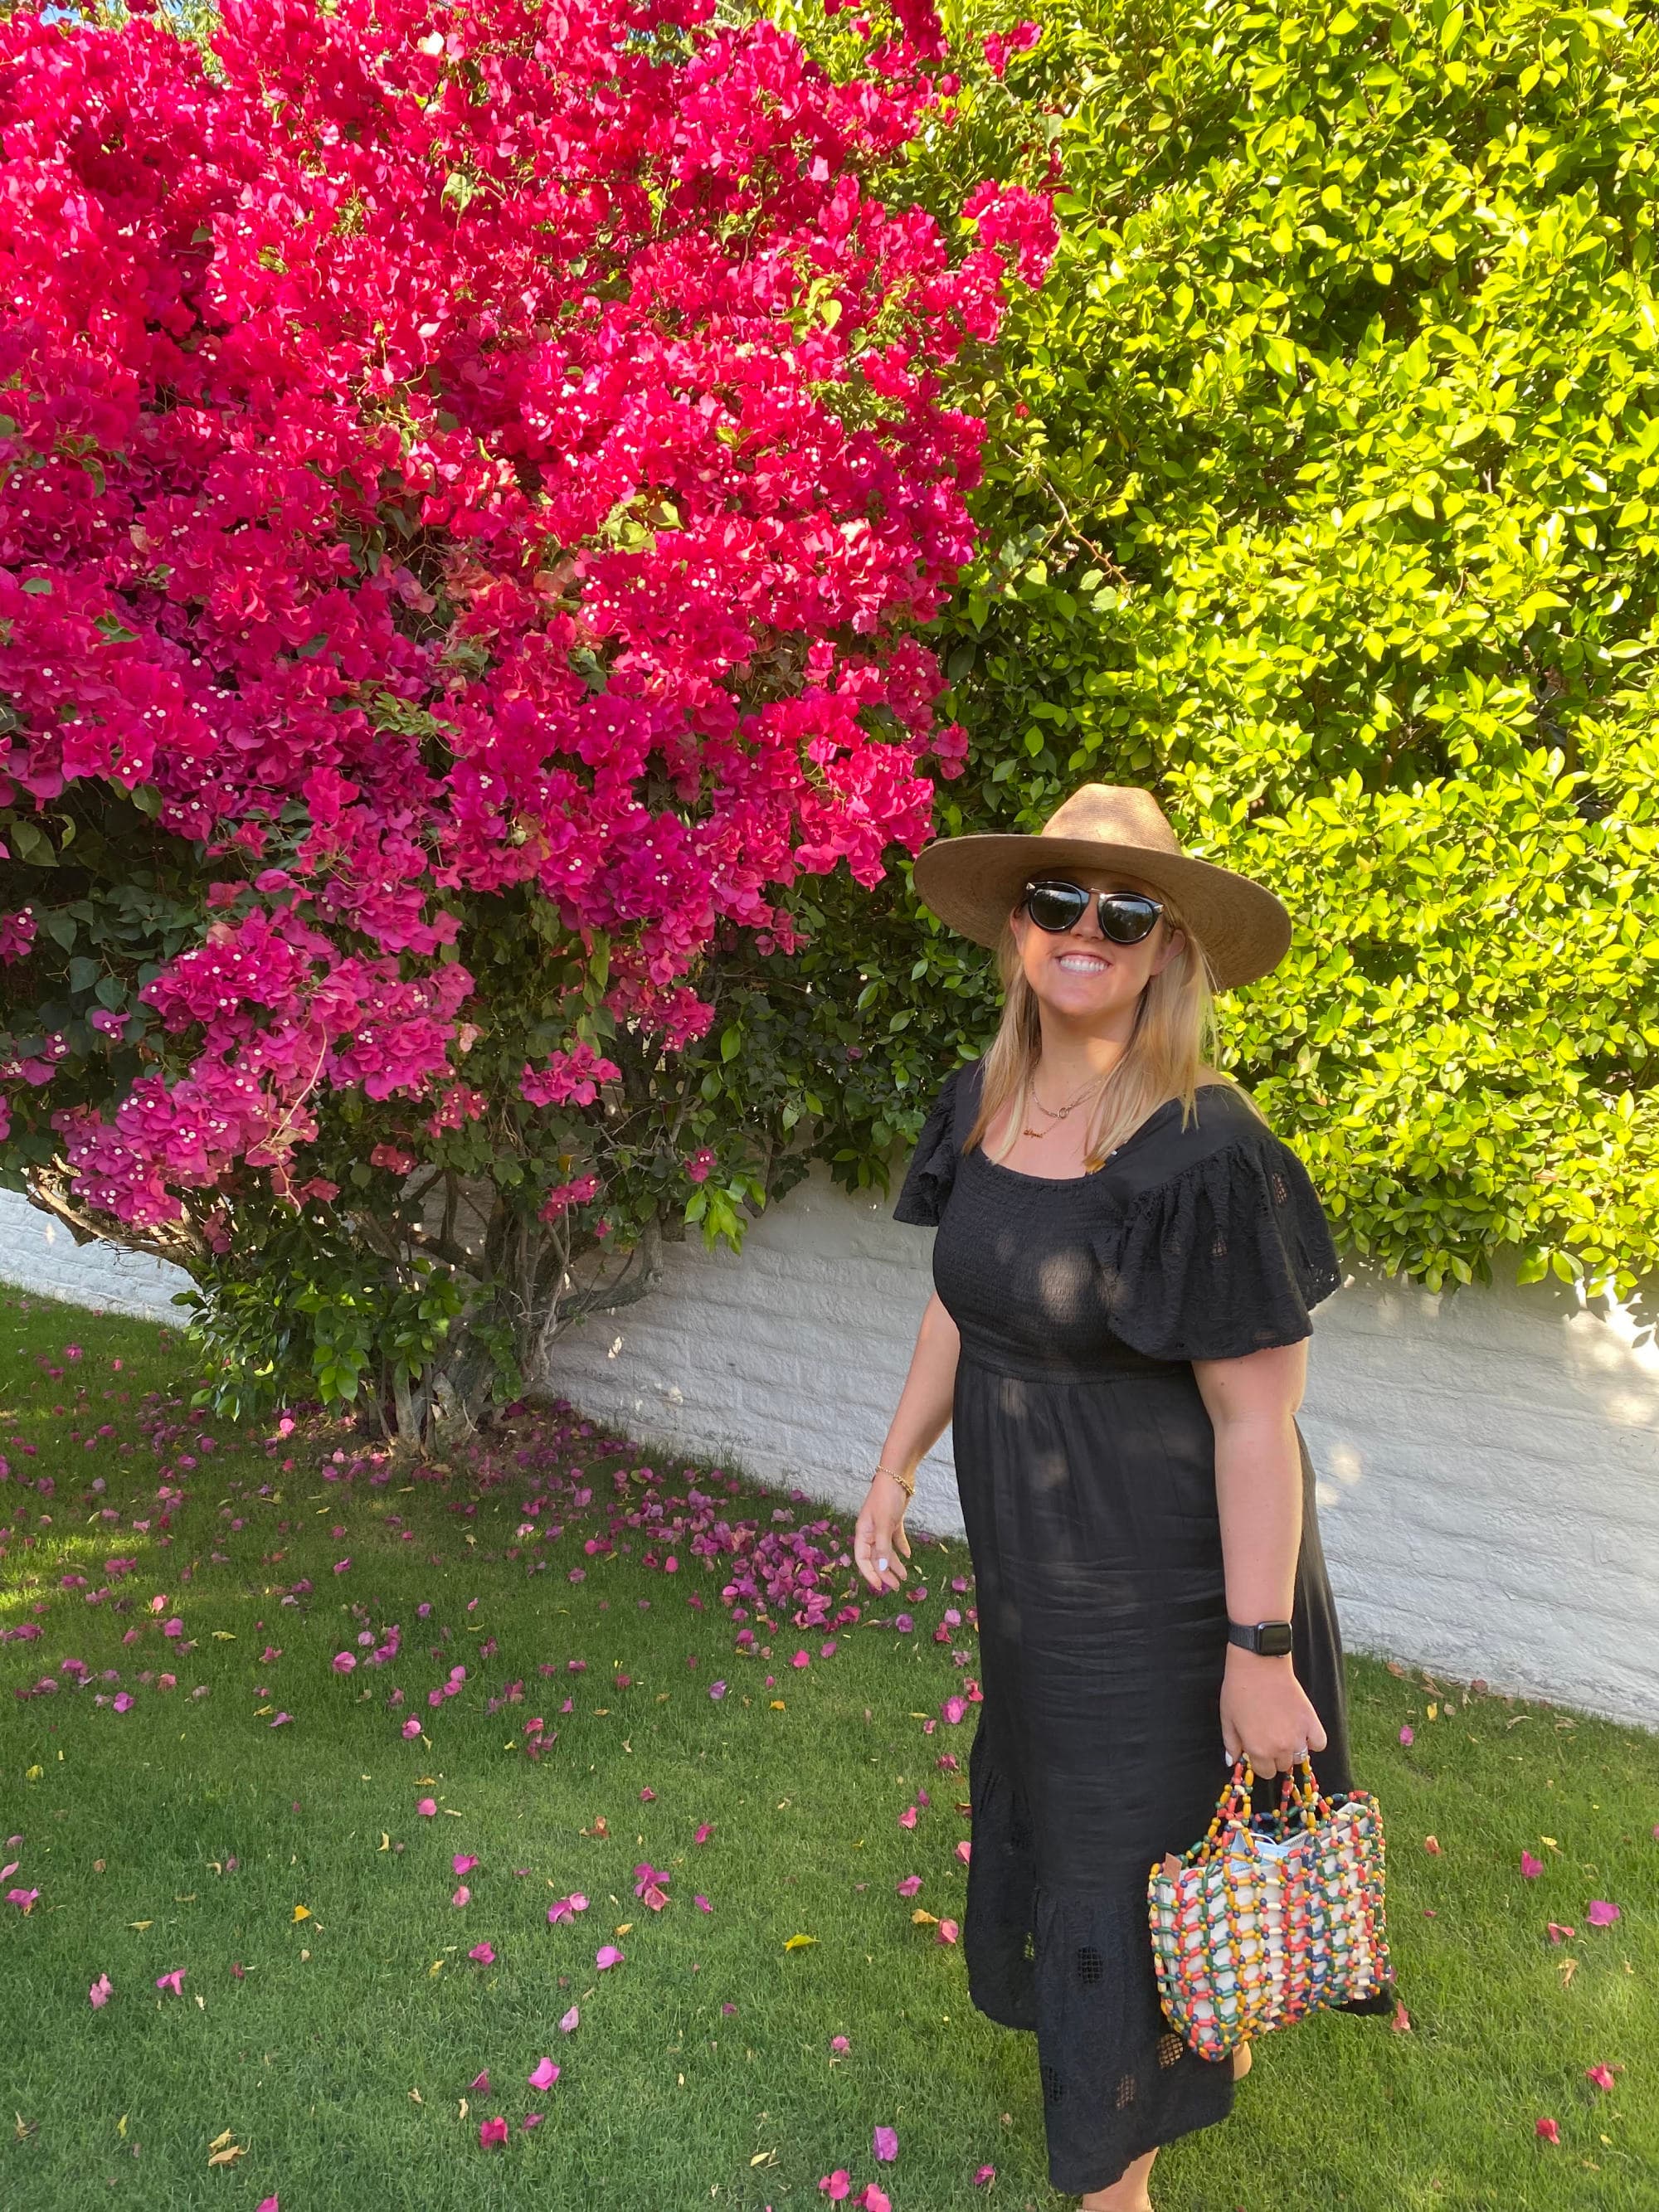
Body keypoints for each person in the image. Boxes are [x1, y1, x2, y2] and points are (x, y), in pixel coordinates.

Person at [853, 784, 1396, 2210]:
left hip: (1169, 1584)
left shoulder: (1204, 1153)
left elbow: (1258, 1419)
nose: (1087, 930)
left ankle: (1116, 2185)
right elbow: (957, 1311)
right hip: (1040, 1567)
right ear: (1018, 929)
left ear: (1166, 952)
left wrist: (1260, 1649)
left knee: (1119, 1844)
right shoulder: (985, 1102)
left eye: (1127, 910)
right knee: (1097, 1827)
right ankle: (1154, 2062)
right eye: (1059, 901)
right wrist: (896, 1465)